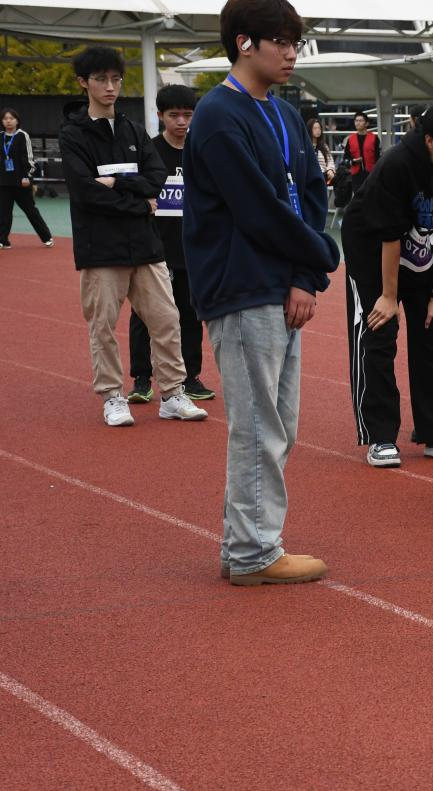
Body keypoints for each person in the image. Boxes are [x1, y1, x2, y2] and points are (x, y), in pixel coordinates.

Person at [183, 0, 341, 585]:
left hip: (281, 281)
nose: (292, 53)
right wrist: (321, 256)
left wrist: (304, 276)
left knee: (280, 424)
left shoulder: (286, 113)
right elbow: (257, 209)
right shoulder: (217, 115)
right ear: (244, 42)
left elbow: (311, 194)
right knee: (258, 426)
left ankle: (244, 544)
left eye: (295, 42)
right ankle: (253, 552)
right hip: (242, 285)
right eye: (281, 41)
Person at [60, 47, 206, 427]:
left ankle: (172, 393)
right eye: (101, 79)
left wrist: (116, 182)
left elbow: (156, 179)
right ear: (83, 82)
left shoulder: (133, 131)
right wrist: (140, 203)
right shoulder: (73, 135)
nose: (110, 87)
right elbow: (86, 193)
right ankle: (112, 396)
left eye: (116, 79)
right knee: (103, 327)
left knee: (167, 319)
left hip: (145, 246)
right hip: (100, 249)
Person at [342, 102, 433, 467]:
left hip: (421, 250)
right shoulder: (399, 164)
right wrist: (388, 297)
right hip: (372, 250)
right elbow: (389, 235)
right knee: (379, 332)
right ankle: (380, 436)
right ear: (430, 140)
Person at [126, 84, 215, 406]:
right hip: (154, 250)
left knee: (191, 315)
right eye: (174, 115)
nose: (181, 122)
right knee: (144, 315)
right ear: (160, 115)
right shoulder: (149, 152)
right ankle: (141, 378)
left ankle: (190, 377)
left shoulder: (201, 152)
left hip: (192, 251)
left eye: (188, 115)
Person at [0, 107, 53, 248]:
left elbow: (29, 159)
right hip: (4, 182)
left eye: (11, 118)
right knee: (4, 213)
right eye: (5, 119)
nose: (8, 121)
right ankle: (3, 240)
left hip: (21, 182)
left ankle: (46, 237)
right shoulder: (0, 136)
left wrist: (27, 177)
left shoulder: (22, 136)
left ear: (17, 121)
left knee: (30, 210)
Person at [343, 110, 379, 194]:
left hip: (371, 174)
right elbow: (345, 158)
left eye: (360, 121)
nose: (358, 123)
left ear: (366, 123)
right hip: (356, 175)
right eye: (356, 121)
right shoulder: (350, 139)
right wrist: (353, 161)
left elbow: (378, 157)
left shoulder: (374, 138)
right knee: (358, 197)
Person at [308, 118, 335, 184]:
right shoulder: (305, 146)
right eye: (315, 128)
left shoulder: (324, 146)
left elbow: (330, 161)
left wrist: (330, 170)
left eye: (319, 128)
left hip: (322, 177)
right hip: (310, 178)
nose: (318, 130)